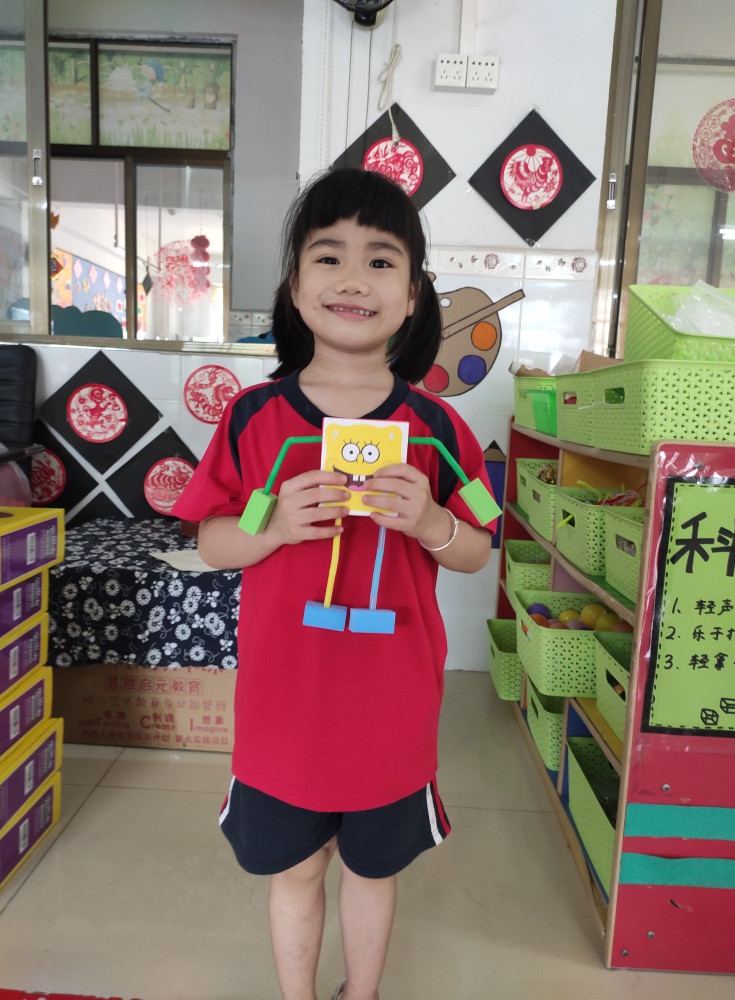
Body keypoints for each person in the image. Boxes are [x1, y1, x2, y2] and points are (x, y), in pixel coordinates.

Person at [173, 166, 498, 1000]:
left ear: (415, 295)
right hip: (286, 704)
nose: (354, 279)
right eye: (329, 257)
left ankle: (363, 993)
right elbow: (211, 542)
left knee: (373, 868)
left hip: (393, 702)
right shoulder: (252, 417)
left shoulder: (439, 426)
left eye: (381, 261)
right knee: (296, 867)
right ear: (294, 284)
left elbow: (478, 549)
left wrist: (431, 522)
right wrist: (274, 527)